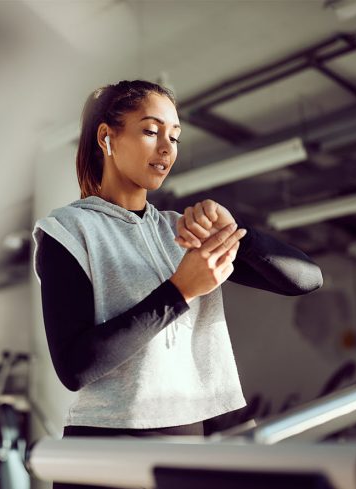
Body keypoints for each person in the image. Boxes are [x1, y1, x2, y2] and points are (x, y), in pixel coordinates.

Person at [31, 80, 323, 486]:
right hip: (111, 451)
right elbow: (76, 366)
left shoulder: (179, 230)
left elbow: (306, 279)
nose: (167, 148)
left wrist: (239, 233)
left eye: (175, 136)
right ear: (107, 137)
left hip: (206, 437)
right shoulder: (67, 231)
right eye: (151, 131)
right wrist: (180, 290)